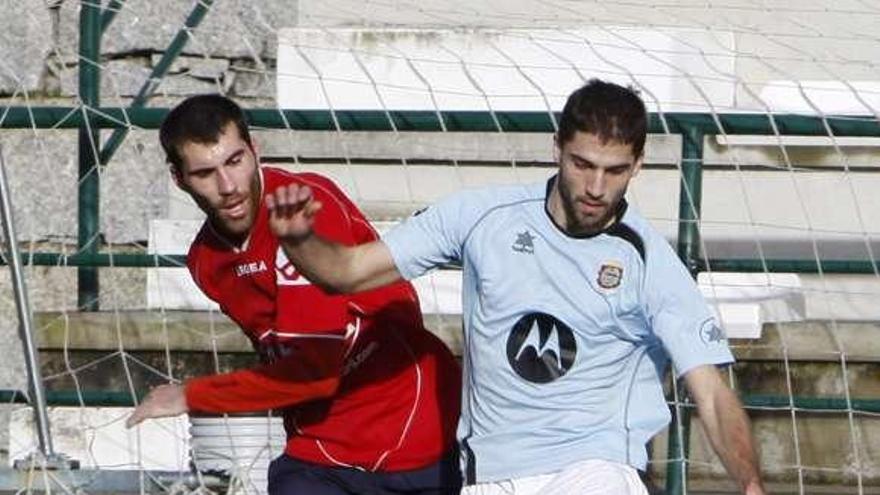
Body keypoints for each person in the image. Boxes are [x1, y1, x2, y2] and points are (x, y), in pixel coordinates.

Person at [259, 79, 766, 494]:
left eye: (614, 172)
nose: (595, 187)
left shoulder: (649, 262)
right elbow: (346, 271)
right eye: (582, 164)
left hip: (594, 467)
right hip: (491, 474)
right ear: (557, 149)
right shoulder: (481, 217)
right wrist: (301, 240)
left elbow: (712, 393)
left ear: (637, 166)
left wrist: (749, 485)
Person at [126, 94, 462, 495]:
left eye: (235, 161)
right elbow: (282, 357)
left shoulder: (305, 205)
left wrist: (193, 394)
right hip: (319, 447)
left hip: (406, 433)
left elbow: (313, 372)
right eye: (205, 172)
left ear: (255, 151)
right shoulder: (205, 262)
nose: (227, 186)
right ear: (179, 179)